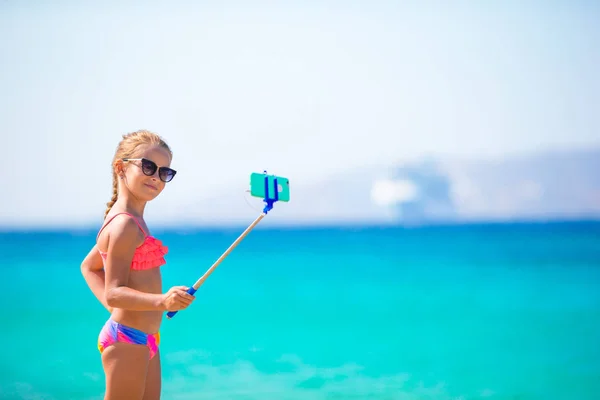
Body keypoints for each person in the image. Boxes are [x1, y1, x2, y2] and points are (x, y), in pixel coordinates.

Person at [80, 129, 196, 400]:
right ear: (121, 167)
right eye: (148, 166)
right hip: (127, 339)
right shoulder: (124, 225)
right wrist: (162, 301)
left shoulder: (132, 221)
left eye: (164, 172)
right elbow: (113, 291)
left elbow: (90, 266)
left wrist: (119, 308)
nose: (155, 177)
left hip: (147, 338)